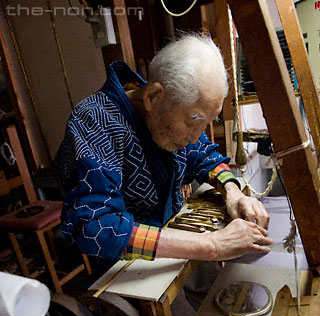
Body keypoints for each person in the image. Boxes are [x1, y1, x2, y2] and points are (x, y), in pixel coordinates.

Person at [54, 33, 273, 277]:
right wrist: (213, 245)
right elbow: (97, 227)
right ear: (152, 97)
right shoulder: (95, 122)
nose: (195, 136)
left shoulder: (171, 106)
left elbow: (204, 156)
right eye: (193, 121)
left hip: (178, 238)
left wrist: (232, 192)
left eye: (207, 122)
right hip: (124, 264)